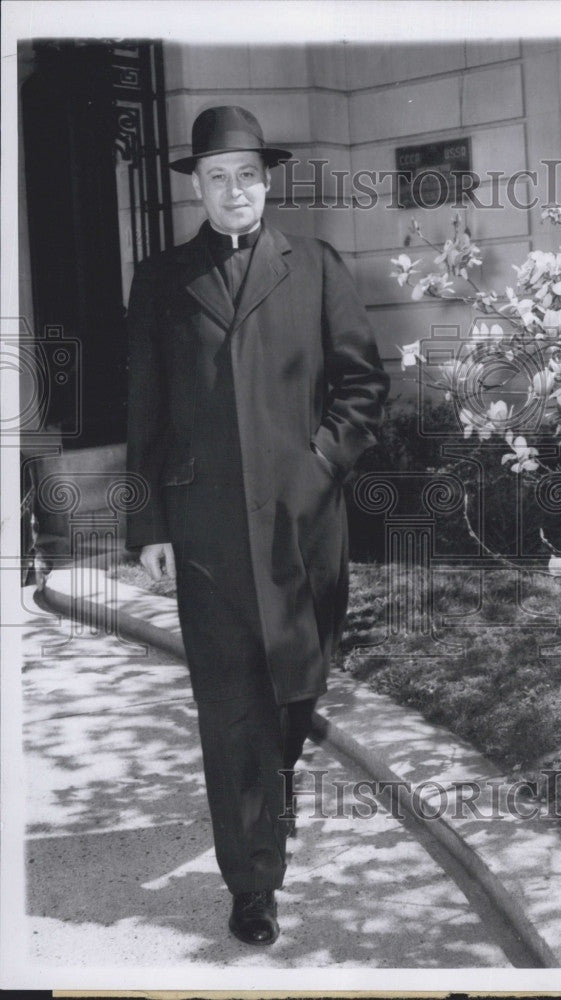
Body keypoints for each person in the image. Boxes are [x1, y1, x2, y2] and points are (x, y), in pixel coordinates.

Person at [125, 105, 389, 945]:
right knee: (230, 708)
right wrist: (150, 525)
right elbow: (145, 411)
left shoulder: (313, 266)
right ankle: (252, 883)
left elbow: (361, 389)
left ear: (265, 182)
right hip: (205, 533)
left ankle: (272, 788)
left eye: (246, 174)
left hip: (301, 529)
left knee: (293, 694)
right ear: (195, 189)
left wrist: (317, 465)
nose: (233, 190)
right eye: (215, 177)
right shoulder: (162, 280)